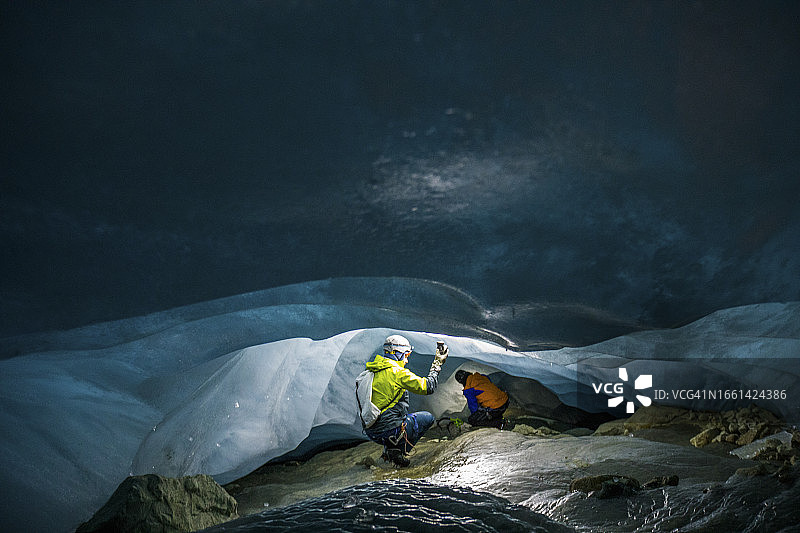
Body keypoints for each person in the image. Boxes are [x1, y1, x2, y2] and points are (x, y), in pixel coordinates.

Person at [362, 335, 448, 467]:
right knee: (427, 418)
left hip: (371, 432)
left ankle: (389, 451)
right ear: (398, 354)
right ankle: (397, 453)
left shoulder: (369, 373)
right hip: (390, 431)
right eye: (406, 355)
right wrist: (437, 363)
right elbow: (428, 386)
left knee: (391, 416)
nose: (406, 360)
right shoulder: (398, 373)